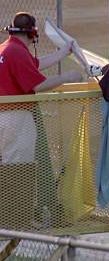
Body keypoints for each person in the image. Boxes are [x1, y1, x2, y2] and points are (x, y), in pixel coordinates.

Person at [0, 12, 83, 163]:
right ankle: (20, 188)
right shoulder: (17, 52)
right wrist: (67, 77)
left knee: (7, 166)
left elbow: (34, 65)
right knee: (18, 168)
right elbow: (38, 85)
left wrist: (63, 52)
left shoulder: (7, 48)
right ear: (32, 33)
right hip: (16, 117)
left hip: (5, 116)